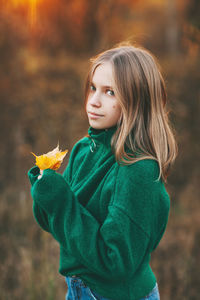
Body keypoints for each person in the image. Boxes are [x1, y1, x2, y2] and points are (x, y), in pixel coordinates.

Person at [28, 43, 178, 300]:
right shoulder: (84, 150)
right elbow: (62, 227)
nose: (94, 101)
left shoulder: (137, 169)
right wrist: (46, 192)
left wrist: (61, 200)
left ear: (137, 100)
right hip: (78, 288)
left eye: (110, 92)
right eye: (93, 88)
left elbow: (114, 261)